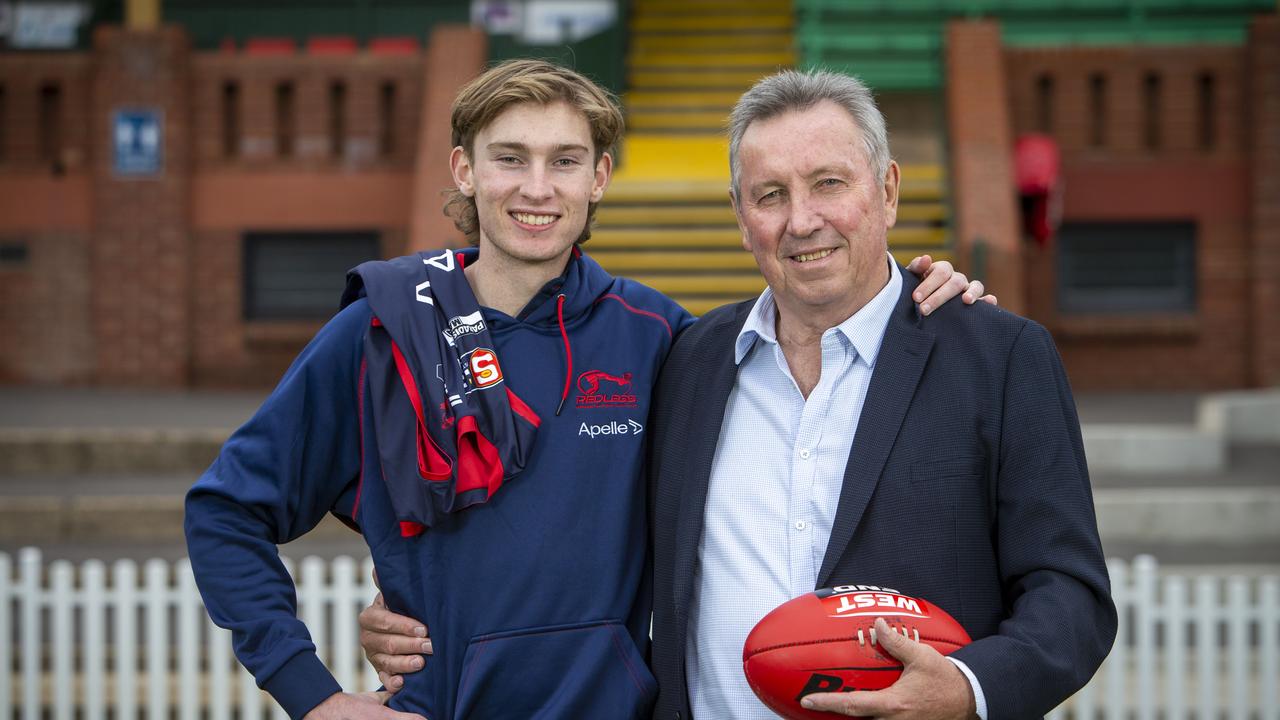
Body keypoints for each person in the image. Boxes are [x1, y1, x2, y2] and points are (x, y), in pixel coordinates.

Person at [185, 59, 987, 720]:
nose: (538, 188)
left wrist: (923, 296)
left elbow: (813, 322)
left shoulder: (664, 338)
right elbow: (225, 512)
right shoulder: (380, 333)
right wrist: (311, 694)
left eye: (565, 160)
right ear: (465, 169)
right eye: (510, 158)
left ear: (599, 177)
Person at [643, 70, 1115, 719]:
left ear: (887, 191)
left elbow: (1070, 595)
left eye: (829, 183)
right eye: (770, 194)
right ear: (741, 217)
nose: (802, 220)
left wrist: (968, 688)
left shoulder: (998, 357)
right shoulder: (688, 361)